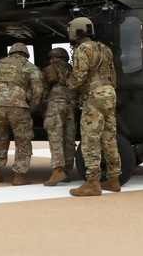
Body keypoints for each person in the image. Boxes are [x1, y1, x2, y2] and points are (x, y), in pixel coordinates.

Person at [66, 17, 122, 196]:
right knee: (109, 139)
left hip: (94, 97)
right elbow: (113, 75)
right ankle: (114, 179)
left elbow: (78, 76)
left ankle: (92, 183)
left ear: (76, 31)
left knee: (90, 140)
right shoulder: (104, 48)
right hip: (109, 94)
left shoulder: (82, 49)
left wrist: (69, 85)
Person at [0, 42, 44, 186]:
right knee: (22, 141)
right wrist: (30, 109)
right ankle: (19, 176)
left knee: (0, 139)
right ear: (26, 54)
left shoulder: (0, 65)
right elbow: (38, 91)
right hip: (17, 106)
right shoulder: (30, 67)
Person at [41, 47, 78, 186]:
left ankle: (57, 171)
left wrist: (42, 105)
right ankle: (67, 171)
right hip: (71, 104)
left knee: (55, 137)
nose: (50, 60)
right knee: (69, 139)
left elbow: (43, 90)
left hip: (56, 104)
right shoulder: (73, 70)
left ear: (55, 58)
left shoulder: (50, 69)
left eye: (52, 58)